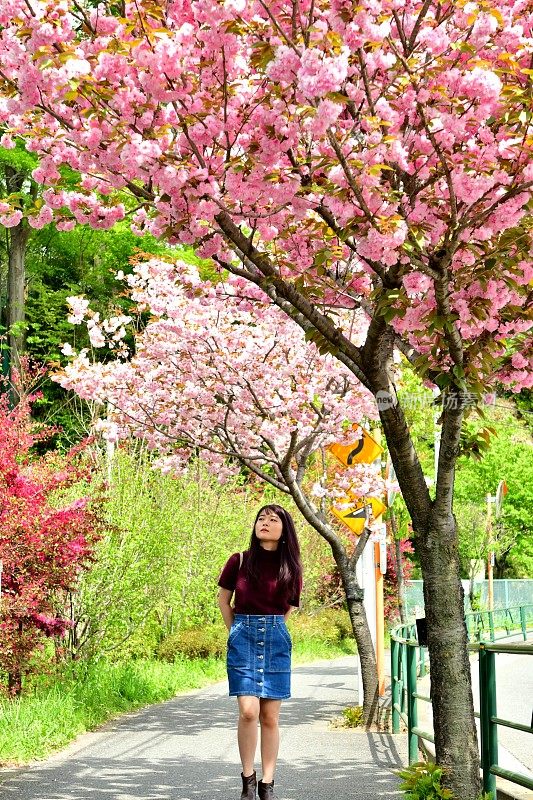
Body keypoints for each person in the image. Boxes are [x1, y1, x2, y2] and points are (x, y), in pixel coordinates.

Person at [218, 504, 303, 800]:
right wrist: (236, 632)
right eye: (261, 518)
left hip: (276, 638)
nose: (264, 523)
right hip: (243, 635)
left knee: (269, 717)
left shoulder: (291, 567)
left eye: (272, 519)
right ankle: (247, 779)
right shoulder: (239, 560)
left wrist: (273, 629)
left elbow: (288, 609)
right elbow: (224, 600)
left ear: (284, 530)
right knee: (248, 711)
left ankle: (268, 784)